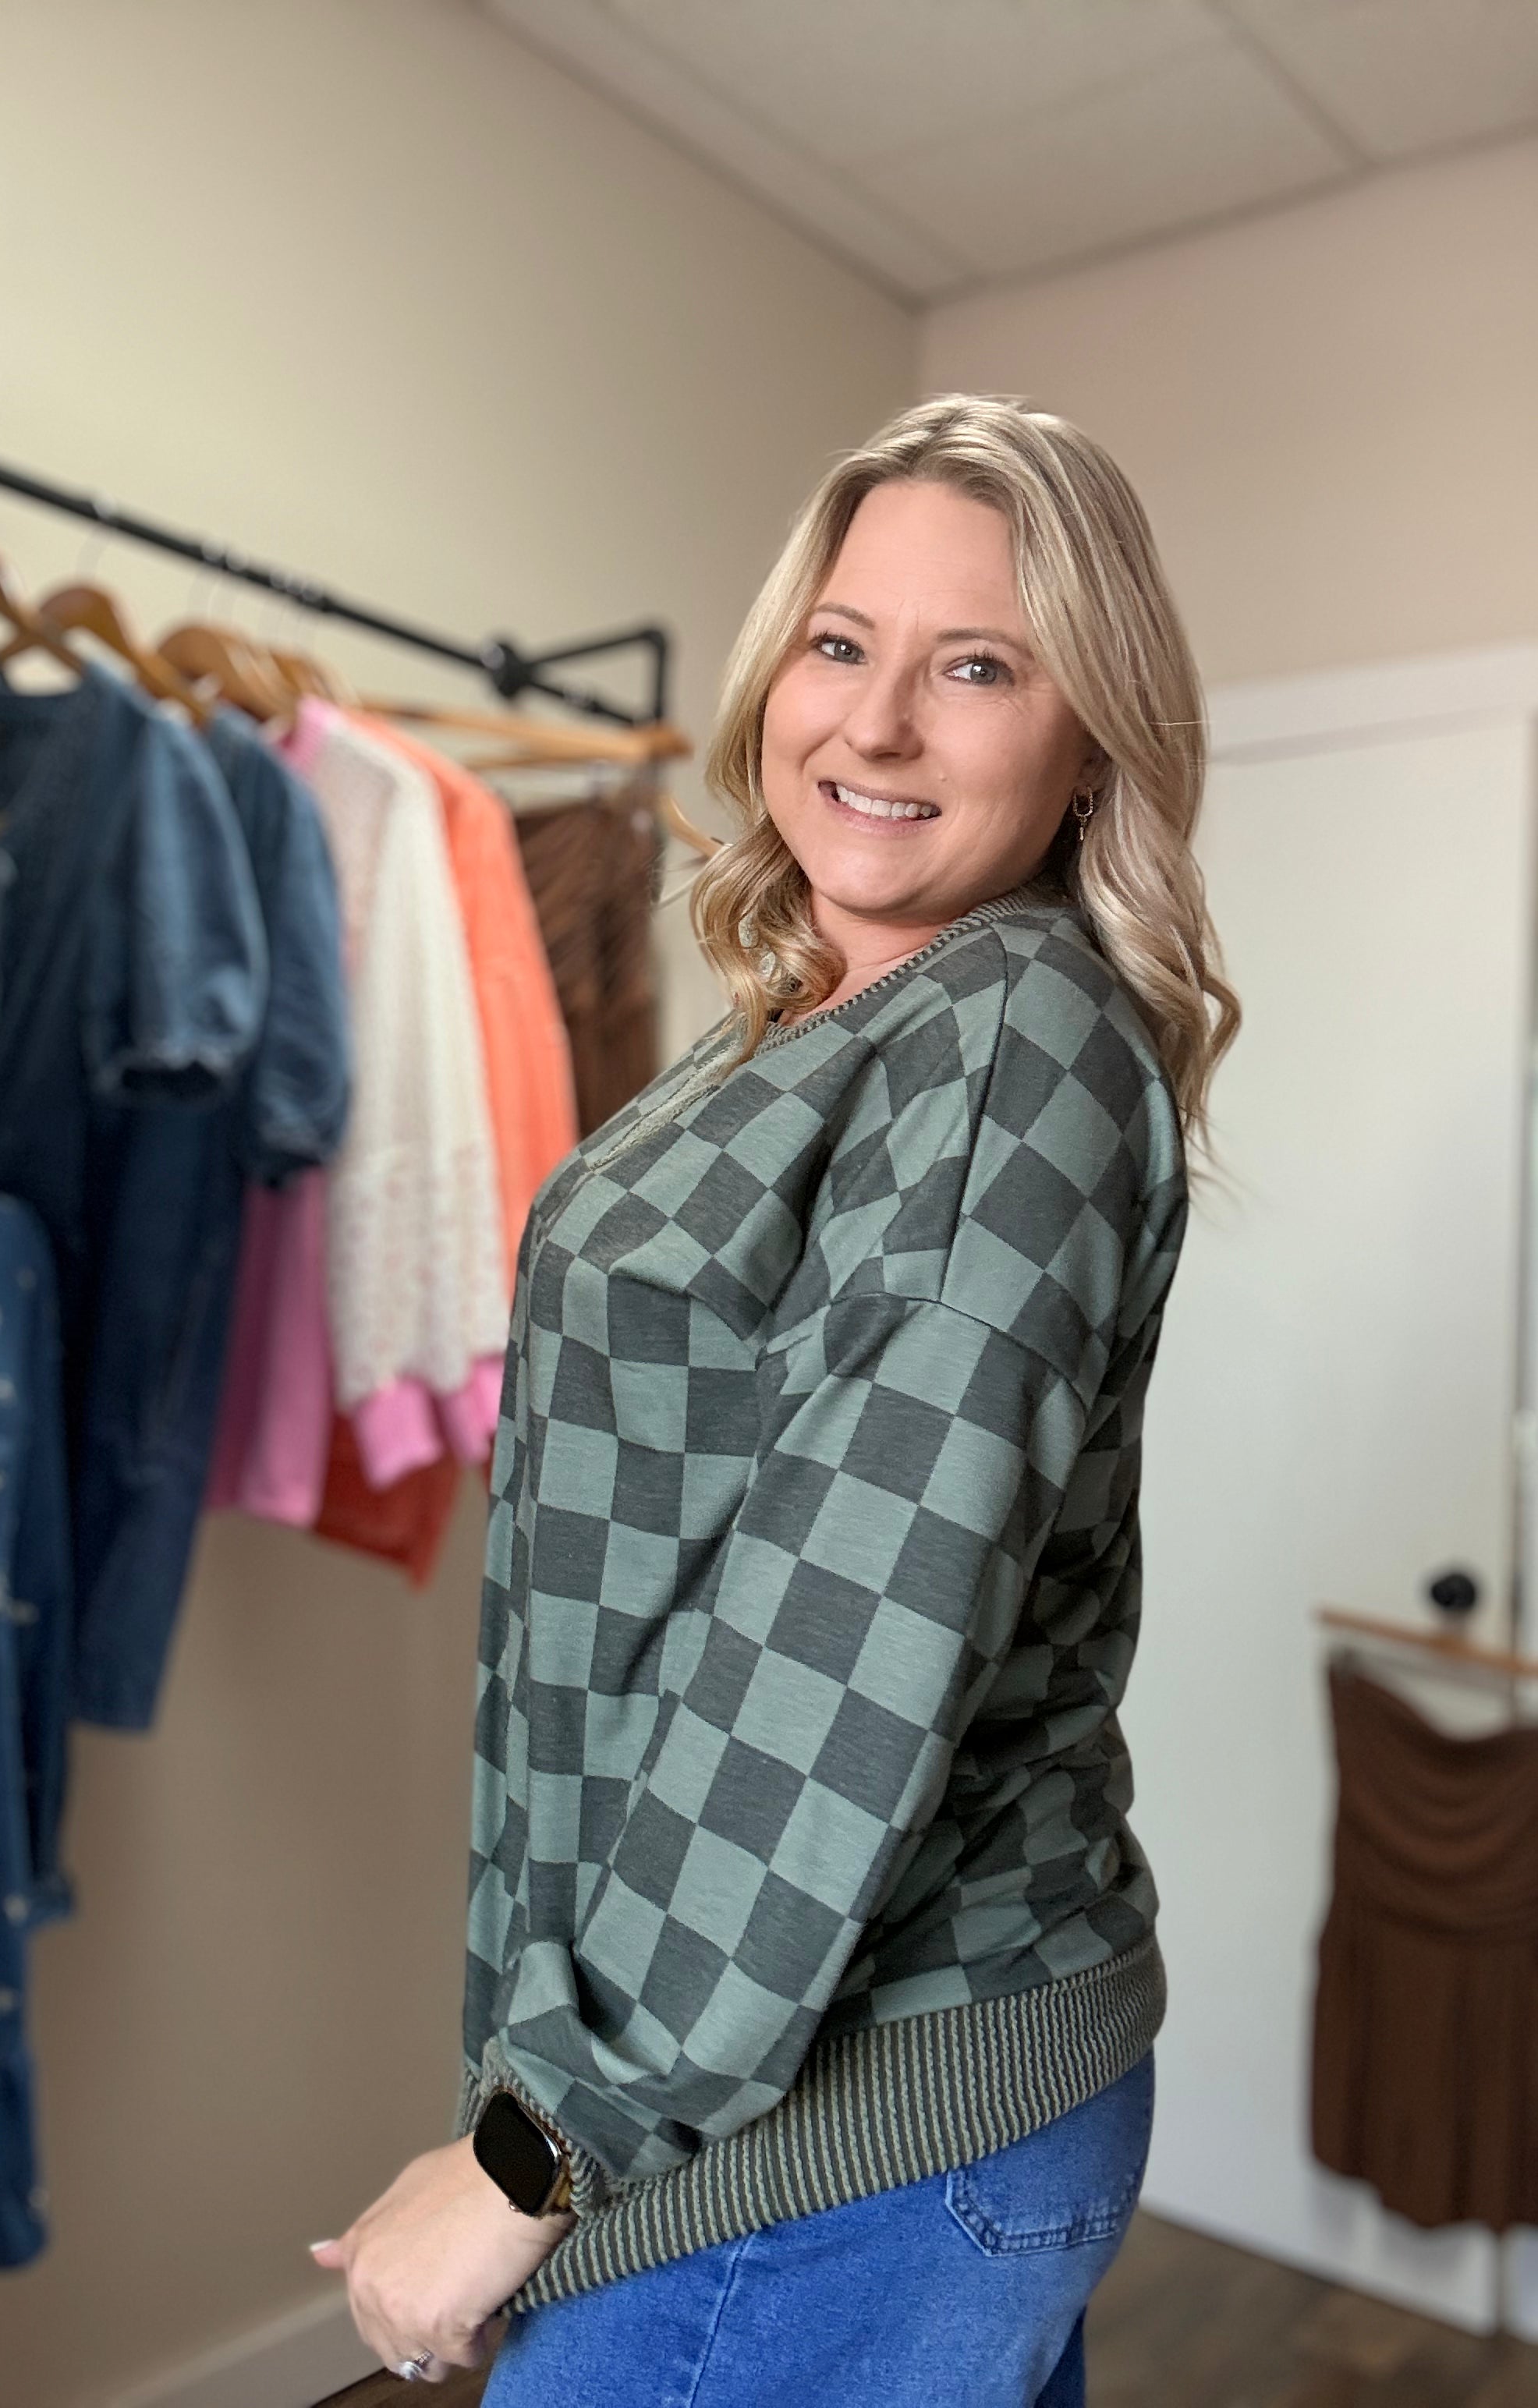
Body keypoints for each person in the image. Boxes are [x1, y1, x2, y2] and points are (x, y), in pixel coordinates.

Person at [311, 394, 1239, 2407]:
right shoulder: (804, 1023)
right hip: (759, 2089)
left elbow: (843, 1631)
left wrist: (541, 2141)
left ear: (1089, 739)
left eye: (975, 668)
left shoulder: (1010, 1031)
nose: (876, 724)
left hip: (838, 2134)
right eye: (840, 643)